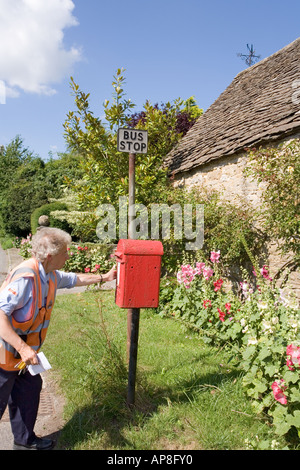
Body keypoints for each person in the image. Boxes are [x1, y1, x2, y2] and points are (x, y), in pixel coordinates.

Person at [0, 227, 116, 450]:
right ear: (51, 256)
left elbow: (75, 279)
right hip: (5, 351)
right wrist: (23, 348)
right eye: (65, 252)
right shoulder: (25, 277)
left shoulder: (50, 274)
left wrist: (105, 277)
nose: (68, 255)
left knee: (29, 391)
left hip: (25, 355)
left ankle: (24, 442)